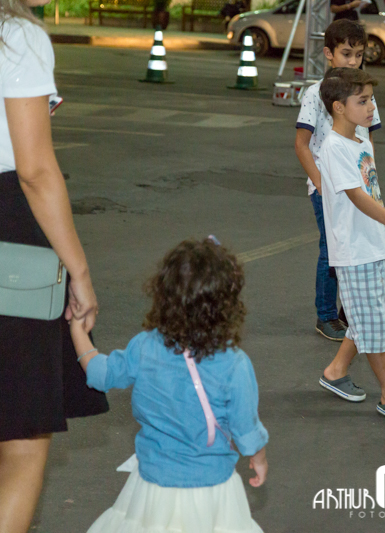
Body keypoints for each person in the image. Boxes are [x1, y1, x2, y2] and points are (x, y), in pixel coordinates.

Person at [70, 238, 269, 531]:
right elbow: (245, 428)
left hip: (152, 486)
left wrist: (77, 329)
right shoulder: (235, 364)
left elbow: (101, 373)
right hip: (211, 487)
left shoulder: (145, 346)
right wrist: (258, 458)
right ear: (227, 305)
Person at [0, 1, 108, 531]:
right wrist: (78, 272)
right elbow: (36, 171)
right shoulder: (16, 37)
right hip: (10, 243)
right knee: (21, 438)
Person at [317, 68, 385, 423]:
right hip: (354, 252)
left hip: (372, 245)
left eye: (371, 99)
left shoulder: (361, 140)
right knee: (372, 323)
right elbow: (356, 196)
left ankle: (335, 371)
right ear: (338, 107)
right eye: (362, 101)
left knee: (367, 318)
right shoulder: (334, 147)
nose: (371, 107)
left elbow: (373, 191)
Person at [295, 20, 382, 342]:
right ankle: (326, 315)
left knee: (359, 244)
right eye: (346, 53)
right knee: (331, 248)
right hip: (328, 186)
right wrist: (320, 184)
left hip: (359, 185)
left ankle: (350, 311)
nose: (353, 61)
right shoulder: (315, 94)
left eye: (359, 55)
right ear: (329, 53)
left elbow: (369, 141)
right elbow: (302, 145)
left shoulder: (366, 93)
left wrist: (371, 182)